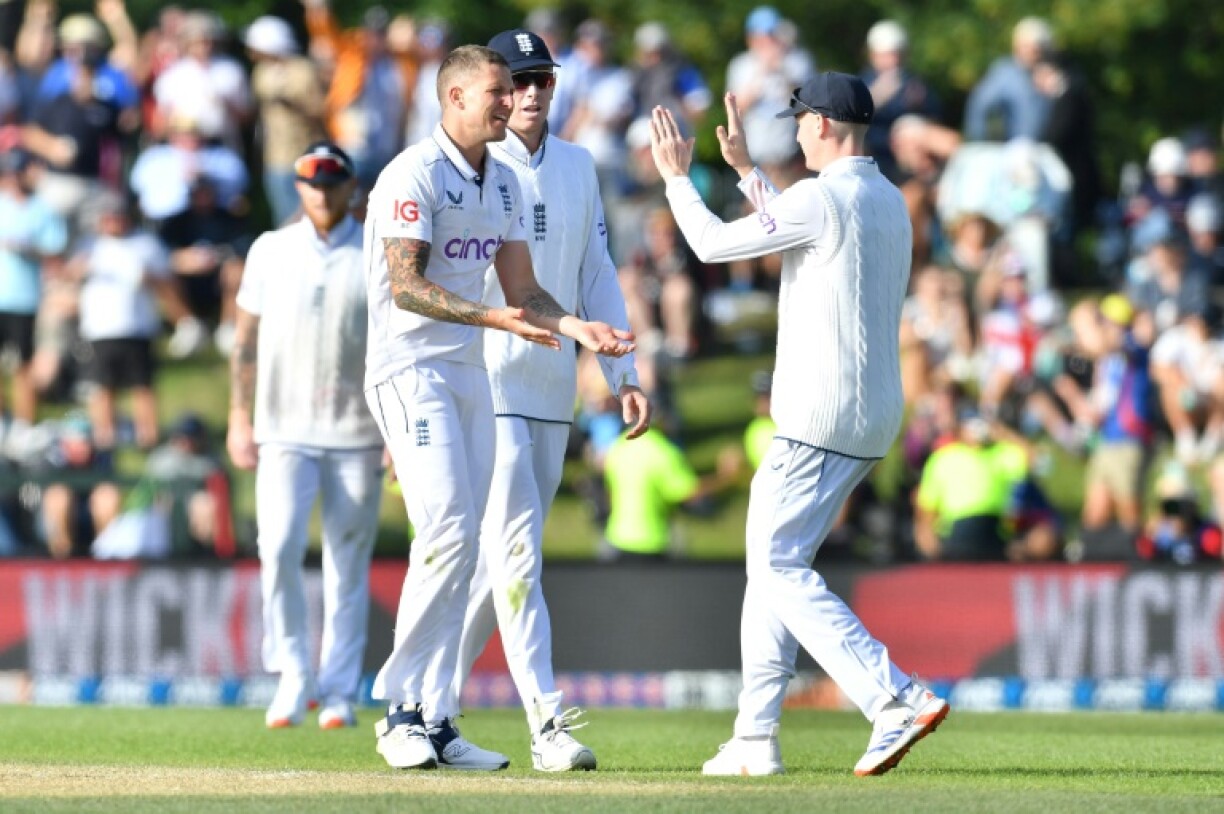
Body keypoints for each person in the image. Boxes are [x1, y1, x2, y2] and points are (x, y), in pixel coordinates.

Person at [648, 73, 949, 777]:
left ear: (822, 124)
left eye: (801, 120)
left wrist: (674, 178)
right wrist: (749, 173)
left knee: (777, 565)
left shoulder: (822, 196)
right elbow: (807, 234)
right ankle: (755, 739)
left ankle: (894, 697)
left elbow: (714, 245)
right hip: (870, 416)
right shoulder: (888, 200)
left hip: (817, 413)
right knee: (774, 569)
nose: (797, 131)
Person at [362, 44, 633, 771]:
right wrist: (496, 323)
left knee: (468, 554)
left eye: (520, 87)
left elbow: (528, 292)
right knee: (451, 530)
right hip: (410, 368)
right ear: (453, 98)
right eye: (498, 90)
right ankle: (399, 708)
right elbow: (406, 289)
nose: (512, 100)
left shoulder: (502, 185)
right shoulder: (411, 175)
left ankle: (436, 721)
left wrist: (581, 330)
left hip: (474, 375)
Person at [431, 29, 650, 773]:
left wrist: (622, 375)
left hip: (551, 390)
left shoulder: (581, 166)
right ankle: (547, 726)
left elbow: (597, 269)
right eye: (517, 82)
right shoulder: (475, 172)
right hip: (488, 384)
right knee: (518, 557)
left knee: (501, 572)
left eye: (543, 82)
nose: (530, 95)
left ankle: (430, 709)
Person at [226, 142, 383, 730]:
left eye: (332, 181)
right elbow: (244, 340)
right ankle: (292, 674)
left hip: (357, 429)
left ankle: (340, 689)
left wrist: (392, 427)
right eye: (311, 182)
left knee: (348, 562)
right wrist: (239, 416)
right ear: (297, 187)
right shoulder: (270, 249)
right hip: (283, 427)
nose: (321, 191)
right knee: (280, 547)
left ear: (351, 186)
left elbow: (394, 343)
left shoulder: (373, 248)